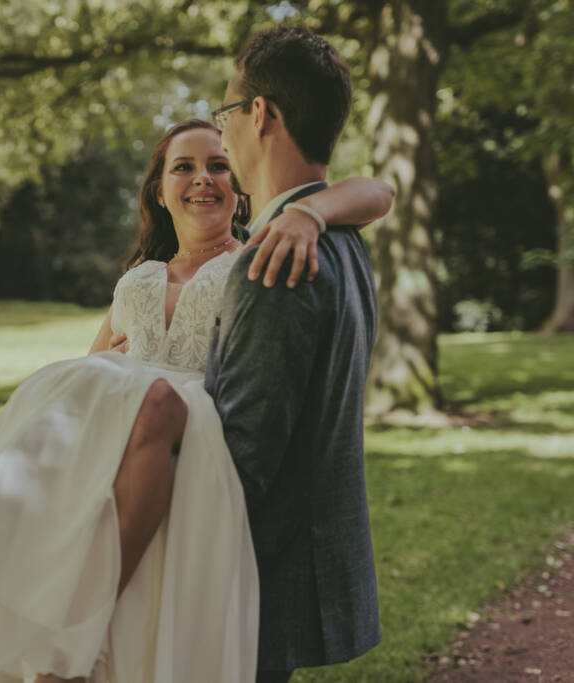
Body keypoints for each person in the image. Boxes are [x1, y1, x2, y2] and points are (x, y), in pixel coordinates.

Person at [0, 118, 392, 683]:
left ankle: (73, 633)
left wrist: (309, 212)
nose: (202, 178)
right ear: (160, 190)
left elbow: (380, 192)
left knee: (149, 397)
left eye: (218, 165)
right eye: (183, 167)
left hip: (195, 442)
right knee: (58, 386)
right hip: (129, 456)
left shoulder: (261, 249)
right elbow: (84, 387)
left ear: (241, 187)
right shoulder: (138, 280)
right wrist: (117, 367)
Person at [205, 26, 389, 683]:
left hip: (254, 571)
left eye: (224, 115)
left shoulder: (278, 259)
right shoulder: (339, 237)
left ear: (259, 114)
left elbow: (240, 456)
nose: (220, 137)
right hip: (290, 565)